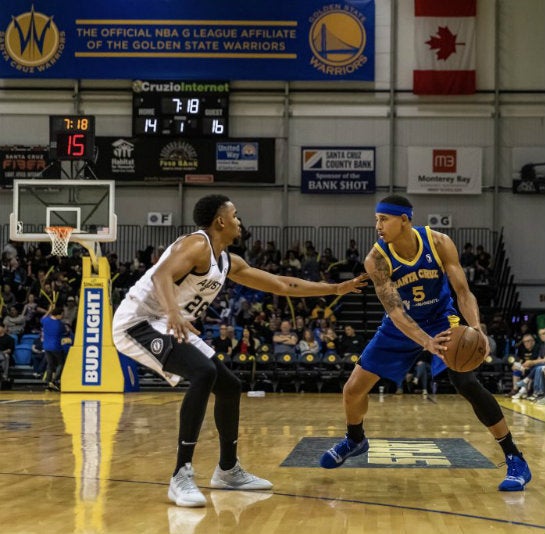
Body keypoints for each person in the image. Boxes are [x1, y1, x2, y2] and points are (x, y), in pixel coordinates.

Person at [112, 194, 367, 508]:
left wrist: (334, 288)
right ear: (221, 220)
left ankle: (228, 470)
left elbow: (281, 285)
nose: (239, 221)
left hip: (169, 323)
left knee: (230, 385)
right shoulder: (197, 245)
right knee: (203, 372)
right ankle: (181, 474)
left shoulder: (226, 260)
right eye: (236, 215)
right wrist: (174, 313)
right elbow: (161, 274)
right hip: (138, 322)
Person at [320, 194, 531, 492]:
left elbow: (463, 291)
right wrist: (426, 342)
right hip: (400, 325)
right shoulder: (376, 258)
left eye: (384, 220)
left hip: (441, 320)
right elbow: (395, 310)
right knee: (353, 389)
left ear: (404, 220)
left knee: (466, 383)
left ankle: (515, 458)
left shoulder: (439, 242)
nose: (378, 226)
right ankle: (355, 439)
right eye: (376, 220)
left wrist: (475, 328)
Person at [41, 305, 66, 392]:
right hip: (56, 347)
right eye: (62, 314)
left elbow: (43, 318)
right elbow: (65, 332)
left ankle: (48, 382)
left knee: (50, 364)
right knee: (60, 364)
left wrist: (49, 310)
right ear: (58, 315)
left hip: (46, 346)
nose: (63, 316)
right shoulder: (59, 324)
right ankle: (54, 381)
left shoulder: (46, 320)